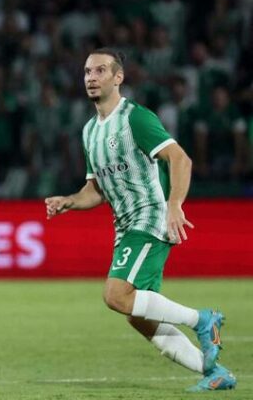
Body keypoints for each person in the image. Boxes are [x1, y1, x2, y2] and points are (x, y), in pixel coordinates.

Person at [45, 49, 236, 392]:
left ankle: (203, 320)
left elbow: (180, 160)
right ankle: (215, 373)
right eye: (87, 71)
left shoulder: (135, 118)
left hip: (150, 216)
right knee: (139, 317)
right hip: (124, 226)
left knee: (116, 295)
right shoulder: (90, 131)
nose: (91, 77)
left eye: (101, 70)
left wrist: (175, 204)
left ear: (118, 77)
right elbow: (96, 189)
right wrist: (69, 201)